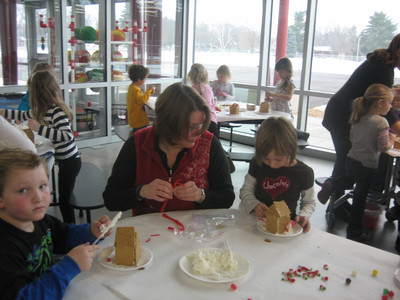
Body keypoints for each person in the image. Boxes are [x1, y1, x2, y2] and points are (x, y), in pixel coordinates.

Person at [103, 82, 235, 215]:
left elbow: (227, 197)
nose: (198, 133)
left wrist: (200, 195)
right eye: (191, 127)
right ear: (169, 125)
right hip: (149, 231)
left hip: (194, 231)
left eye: (200, 125)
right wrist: (141, 191)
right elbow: (111, 199)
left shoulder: (209, 144)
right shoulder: (138, 144)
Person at [0, 148, 111, 300]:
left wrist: (91, 231)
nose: (38, 198)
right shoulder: (5, 248)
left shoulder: (39, 220)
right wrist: (69, 267)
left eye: (42, 186)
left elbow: (65, 235)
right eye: (23, 190)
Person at [321, 33, 400, 202]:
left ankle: (336, 201)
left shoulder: (381, 62)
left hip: (339, 112)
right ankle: (336, 200)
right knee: (346, 161)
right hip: (341, 115)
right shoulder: (384, 68)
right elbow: (385, 106)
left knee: (344, 159)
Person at [0, 70, 81, 224]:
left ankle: (70, 229)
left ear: (37, 92)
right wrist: (2, 112)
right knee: (64, 196)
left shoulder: (56, 112)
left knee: (65, 200)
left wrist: (40, 129)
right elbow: (21, 115)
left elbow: (66, 136)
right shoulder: (42, 110)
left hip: (71, 161)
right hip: (63, 160)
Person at [319, 84, 394, 242]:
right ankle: (354, 232)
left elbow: (352, 138)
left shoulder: (358, 117)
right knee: (359, 200)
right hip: (367, 165)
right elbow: (382, 147)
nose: (391, 106)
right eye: (390, 103)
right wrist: (392, 140)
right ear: (380, 103)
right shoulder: (382, 123)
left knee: (348, 179)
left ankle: (332, 183)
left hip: (351, 159)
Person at [239, 117, 316, 232]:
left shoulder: (304, 173)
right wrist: (255, 205)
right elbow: (245, 191)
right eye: (266, 159)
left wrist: (303, 215)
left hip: (285, 227)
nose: (272, 165)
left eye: (278, 160)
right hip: (256, 222)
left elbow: (309, 202)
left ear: (290, 150)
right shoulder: (257, 163)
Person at [188, 63, 219, 136]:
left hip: (198, 124)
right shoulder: (208, 89)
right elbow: (213, 105)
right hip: (211, 121)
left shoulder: (190, 91)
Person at [126, 64, 155, 135]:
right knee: (140, 135)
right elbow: (142, 100)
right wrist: (149, 90)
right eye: (145, 78)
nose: (145, 80)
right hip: (138, 120)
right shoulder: (136, 89)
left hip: (134, 118)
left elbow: (139, 99)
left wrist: (148, 93)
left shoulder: (131, 87)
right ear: (139, 79)